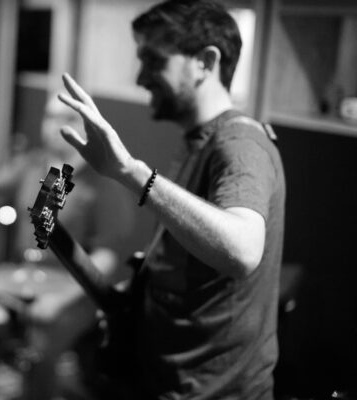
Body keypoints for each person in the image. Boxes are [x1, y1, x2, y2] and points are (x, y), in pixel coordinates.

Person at [57, 0, 286, 399]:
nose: (141, 77)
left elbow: (243, 250)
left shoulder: (240, 144)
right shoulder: (198, 141)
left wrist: (130, 171)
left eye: (153, 60)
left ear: (205, 62)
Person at [0, 94, 134, 399]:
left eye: (68, 118)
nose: (56, 125)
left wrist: (60, 299)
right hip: (25, 277)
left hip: (75, 292)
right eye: (50, 116)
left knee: (40, 344)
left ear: (86, 127)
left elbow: (106, 257)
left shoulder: (101, 181)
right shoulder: (35, 164)